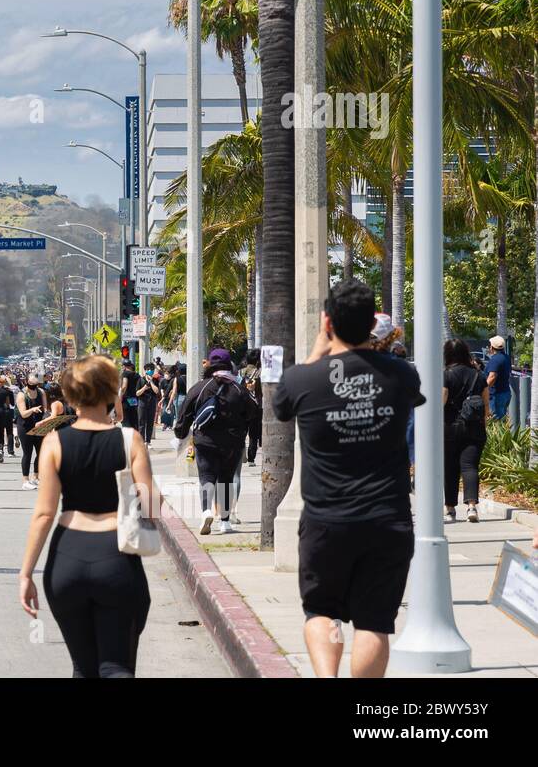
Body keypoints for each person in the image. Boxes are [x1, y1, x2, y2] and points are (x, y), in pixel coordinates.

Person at [272, 278, 424, 679]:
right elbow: (410, 392)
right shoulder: (401, 376)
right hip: (388, 521)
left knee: (322, 612)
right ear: (371, 321)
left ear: (327, 322)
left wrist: (318, 350)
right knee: (374, 622)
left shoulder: (301, 380)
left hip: (326, 523)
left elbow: (282, 405)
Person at [19, 355, 156, 678]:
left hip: (68, 556)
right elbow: (151, 504)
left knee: (84, 667)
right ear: (112, 393)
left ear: (69, 395)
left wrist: (26, 573)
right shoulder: (129, 440)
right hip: (116, 556)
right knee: (116, 665)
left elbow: (44, 513)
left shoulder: (55, 442)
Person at [174, 348, 251, 535]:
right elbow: (252, 415)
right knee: (226, 479)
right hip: (232, 444)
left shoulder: (200, 388)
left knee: (207, 477)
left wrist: (181, 433)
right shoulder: (239, 389)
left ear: (209, 364)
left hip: (205, 442)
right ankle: (224, 522)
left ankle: (207, 511)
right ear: (229, 365)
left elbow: (184, 415)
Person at [443, 338, 490, 524]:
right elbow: (486, 407)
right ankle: (471, 507)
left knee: (450, 468)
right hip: (474, 428)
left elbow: (442, 400)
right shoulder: (478, 375)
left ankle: (450, 509)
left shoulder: (446, 374)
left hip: (449, 428)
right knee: (470, 466)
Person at [17, 374, 48, 490]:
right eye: (31, 385)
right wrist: (32, 409)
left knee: (41, 451)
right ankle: (25, 480)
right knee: (27, 453)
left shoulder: (41, 392)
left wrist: (46, 416)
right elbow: (23, 413)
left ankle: (36, 477)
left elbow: (45, 409)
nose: (33, 387)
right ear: (26, 382)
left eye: (35, 385)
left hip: (39, 425)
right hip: (25, 426)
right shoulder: (21, 395)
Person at [484, 336, 512, 426]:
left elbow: (492, 376)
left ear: (492, 347)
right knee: (502, 421)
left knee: (496, 423)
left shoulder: (495, 360)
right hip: (505, 392)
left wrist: (483, 389)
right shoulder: (506, 357)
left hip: (496, 395)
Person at [136, 364, 161, 447]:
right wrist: (144, 388)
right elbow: (137, 393)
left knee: (150, 423)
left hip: (152, 403)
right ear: (145, 370)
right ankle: (142, 441)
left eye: (151, 369)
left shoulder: (156, 380)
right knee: (141, 422)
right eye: (147, 369)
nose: (149, 371)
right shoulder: (140, 380)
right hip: (142, 403)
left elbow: (157, 391)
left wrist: (151, 382)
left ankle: (148, 441)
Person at [118, 360, 141, 429]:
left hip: (126, 399)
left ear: (124, 366)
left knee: (126, 418)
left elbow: (124, 386)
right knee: (133, 417)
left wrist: (120, 395)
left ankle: (127, 434)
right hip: (134, 399)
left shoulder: (125, 374)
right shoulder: (137, 375)